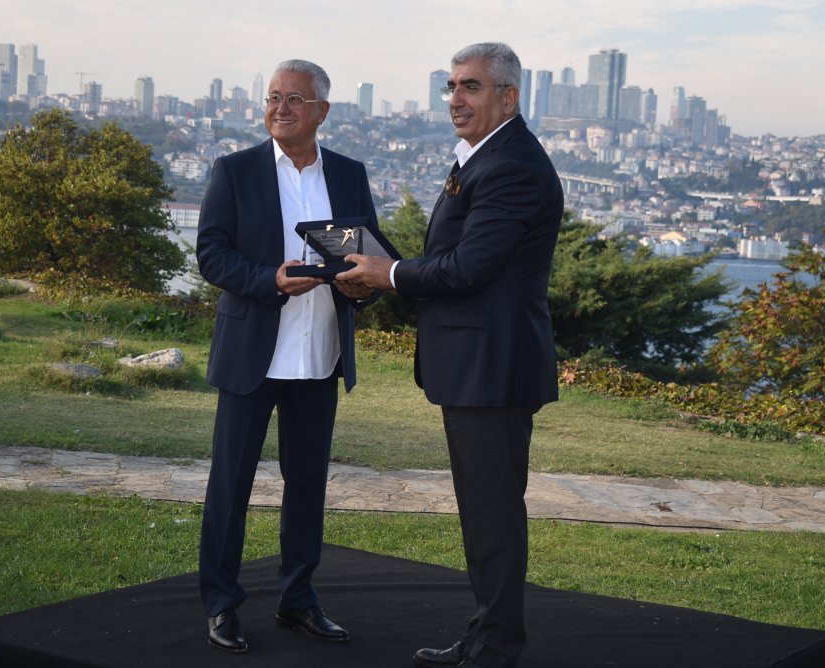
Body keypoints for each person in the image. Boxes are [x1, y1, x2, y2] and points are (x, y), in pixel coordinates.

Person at [337, 42, 563, 668]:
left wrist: (388, 274)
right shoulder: (486, 156)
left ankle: (496, 648)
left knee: (493, 518)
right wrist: (385, 270)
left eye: (471, 86)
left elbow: (469, 268)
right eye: (451, 86)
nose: (456, 99)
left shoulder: (512, 165)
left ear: (508, 97)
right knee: (483, 516)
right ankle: (484, 638)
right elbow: (455, 260)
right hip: (476, 367)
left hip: (492, 369)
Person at [195, 58, 377, 654]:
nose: (281, 107)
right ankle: (221, 605)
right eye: (274, 96)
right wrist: (268, 279)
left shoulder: (349, 174)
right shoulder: (235, 170)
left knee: (307, 487)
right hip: (252, 354)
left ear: (322, 111)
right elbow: (211, 254)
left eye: (295, 98)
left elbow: (368, 259)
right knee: (230, 487)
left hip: (319, 355)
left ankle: (298, 600)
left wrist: (364, 288)